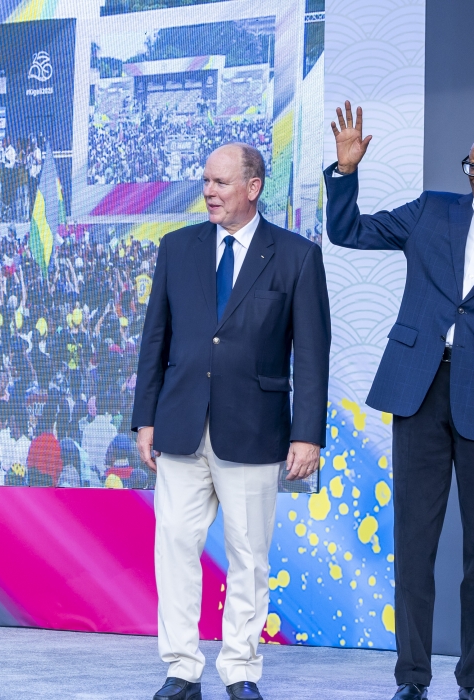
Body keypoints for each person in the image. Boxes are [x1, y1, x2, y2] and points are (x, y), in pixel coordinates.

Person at [324, 103, 474, 700]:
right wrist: (345, 173)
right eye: (471, 166)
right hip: (419, 390)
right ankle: (412, 678)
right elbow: (348, 231)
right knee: (416, 545)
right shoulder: (432, 210)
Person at [133, 143, 330, 700]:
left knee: (248, 555)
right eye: (206, 182)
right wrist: (145, 418)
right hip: (179, 427)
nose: (209, 192)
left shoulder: (295, 256)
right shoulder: (176, 249)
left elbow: (313, 354)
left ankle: (240, 670)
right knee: (173, 545)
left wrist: (307, 433)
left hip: (255, 431)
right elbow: (156, 339)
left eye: (221, 182)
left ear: (253, 186)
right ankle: (181, 668)